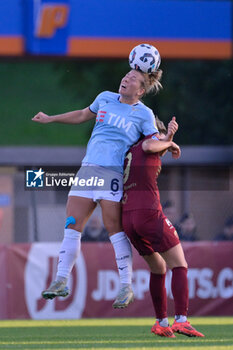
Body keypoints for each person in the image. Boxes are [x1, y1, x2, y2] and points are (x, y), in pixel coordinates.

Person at [32, 68, 176, 308]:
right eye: (126, 75)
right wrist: (51, 118)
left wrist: (169, 140)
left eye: (133, 79)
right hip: (87, 170)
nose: (126, 79)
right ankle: (61, 279)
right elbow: (81, 115)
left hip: (112, 173)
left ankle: (125, 286)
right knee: (71, 224)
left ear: (140, 90)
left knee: (113, 229)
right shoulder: (105, 98)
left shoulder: (144, 114)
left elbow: (152, 142)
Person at [122, 119, 204, 338]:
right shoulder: (150, 141)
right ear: (151, 133)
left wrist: (169, 140)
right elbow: (152, 145)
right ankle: (182, 320)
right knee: (180, 264)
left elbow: (152, 151)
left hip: (128, 218)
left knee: (158, 267)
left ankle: (161, 322)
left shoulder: (131, 150)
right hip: (148, 213)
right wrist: (167, 139)